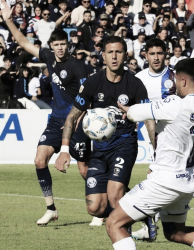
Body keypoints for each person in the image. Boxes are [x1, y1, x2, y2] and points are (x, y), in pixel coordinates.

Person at [106, 58, 194, 250]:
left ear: (182, 80)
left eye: (176, 79)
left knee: (114, 223)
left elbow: (134, 114)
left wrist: (127, 110)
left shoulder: (176, 104)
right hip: (189, 182)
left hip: (164, 182)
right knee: (176, 232)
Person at [2, 0, 91, 226]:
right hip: (55, 121)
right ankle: (51, 208)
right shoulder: (49, 57)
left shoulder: (78, 67)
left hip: (78, 121)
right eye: (56, 44)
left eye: (63, 44)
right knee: (40, 161)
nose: (60, 48)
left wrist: (76, 120)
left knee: (84, 170)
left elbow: (85, 100)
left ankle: (100, 209)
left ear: (68, 46)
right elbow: (22, 41)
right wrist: (8, 21)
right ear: (51, 46)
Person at [54, 36, 156, 228]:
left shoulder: (135, 84)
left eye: (118, 52)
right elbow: (72, 117)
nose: (114, 56)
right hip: (99, 149)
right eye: (110, 52)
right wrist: (64, 149)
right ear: (103, 56)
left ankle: (124, 225)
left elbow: (149, 118)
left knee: (115, 194)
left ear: (125, 55)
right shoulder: (93, 83)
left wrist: (156, 149)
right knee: (95, 208)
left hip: (125, 144)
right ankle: (143, 212)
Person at [133, 38, 194, 240]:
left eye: (160, 53)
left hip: (176, 136)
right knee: (164, 179)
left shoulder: (177, 77)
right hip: (154, 132)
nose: (156, 58)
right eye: (152, 53)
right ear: (145, 55)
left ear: (166, 54)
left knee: (164, 178)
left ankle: (149, 227)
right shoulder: (139, 78)